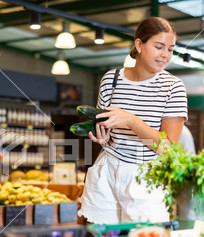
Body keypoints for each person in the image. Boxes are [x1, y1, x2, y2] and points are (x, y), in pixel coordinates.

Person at [78, 17, 188, 224]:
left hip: (147, 177)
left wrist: (131, 121)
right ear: (139, 44)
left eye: (171, 49)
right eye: (159, 47)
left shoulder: (173, 87)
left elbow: (169, 149)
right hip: (107, 171)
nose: (165, 55)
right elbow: (105, 125)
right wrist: (101, 136)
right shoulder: (111, 79)